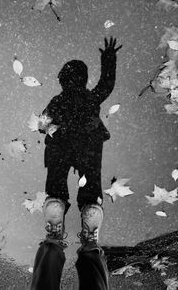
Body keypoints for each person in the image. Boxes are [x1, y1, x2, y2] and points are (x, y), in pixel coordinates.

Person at [30, 36, 122, 290]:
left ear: (63, 80)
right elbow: (106, 85)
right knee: (88, 178)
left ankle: (57, 212)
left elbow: (43, 124)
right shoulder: (88, 97)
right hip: (85, 143)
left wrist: (48, 127)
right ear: (83, 79)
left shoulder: (58, 100)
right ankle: (87, 214)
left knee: (59, 177)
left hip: (66, 144)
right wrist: (109, 59)